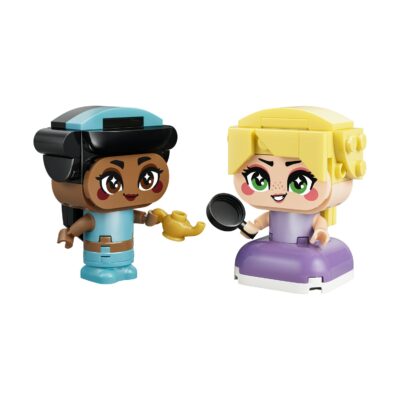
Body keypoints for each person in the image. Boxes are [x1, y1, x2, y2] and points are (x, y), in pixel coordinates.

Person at [228, 106, 366, 293]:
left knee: (313, 263)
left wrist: (320, 231)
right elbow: (265, 219)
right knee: (248, 255)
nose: (278, 191)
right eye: (259, 179)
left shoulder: (316, 239)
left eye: (299, 182)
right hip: (270, 245)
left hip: (308, 249)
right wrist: (253, 227)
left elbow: (319, 222)